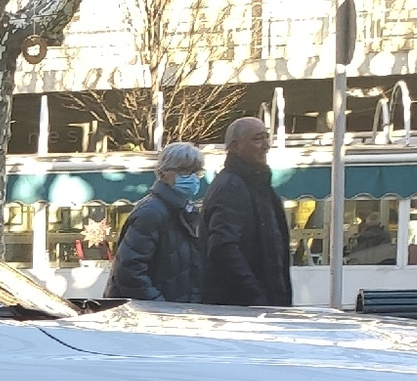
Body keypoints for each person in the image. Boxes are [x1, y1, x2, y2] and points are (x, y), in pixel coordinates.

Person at [203, 115, 293, 306]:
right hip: (245, 306)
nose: (265, 145)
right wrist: (255, 294)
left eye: (266, 137)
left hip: (260, 302)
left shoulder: (257, 184)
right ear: (235, 146)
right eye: (257, 139)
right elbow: (223, 247)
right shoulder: (231, 186)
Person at [107, 142, 206, 302]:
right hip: (154, 317)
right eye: (184, 171)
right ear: (164, 173)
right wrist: (160, 307)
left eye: (196, 172)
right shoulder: (151, 213)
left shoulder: (185, 211)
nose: (193, 177)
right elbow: (129, 272)